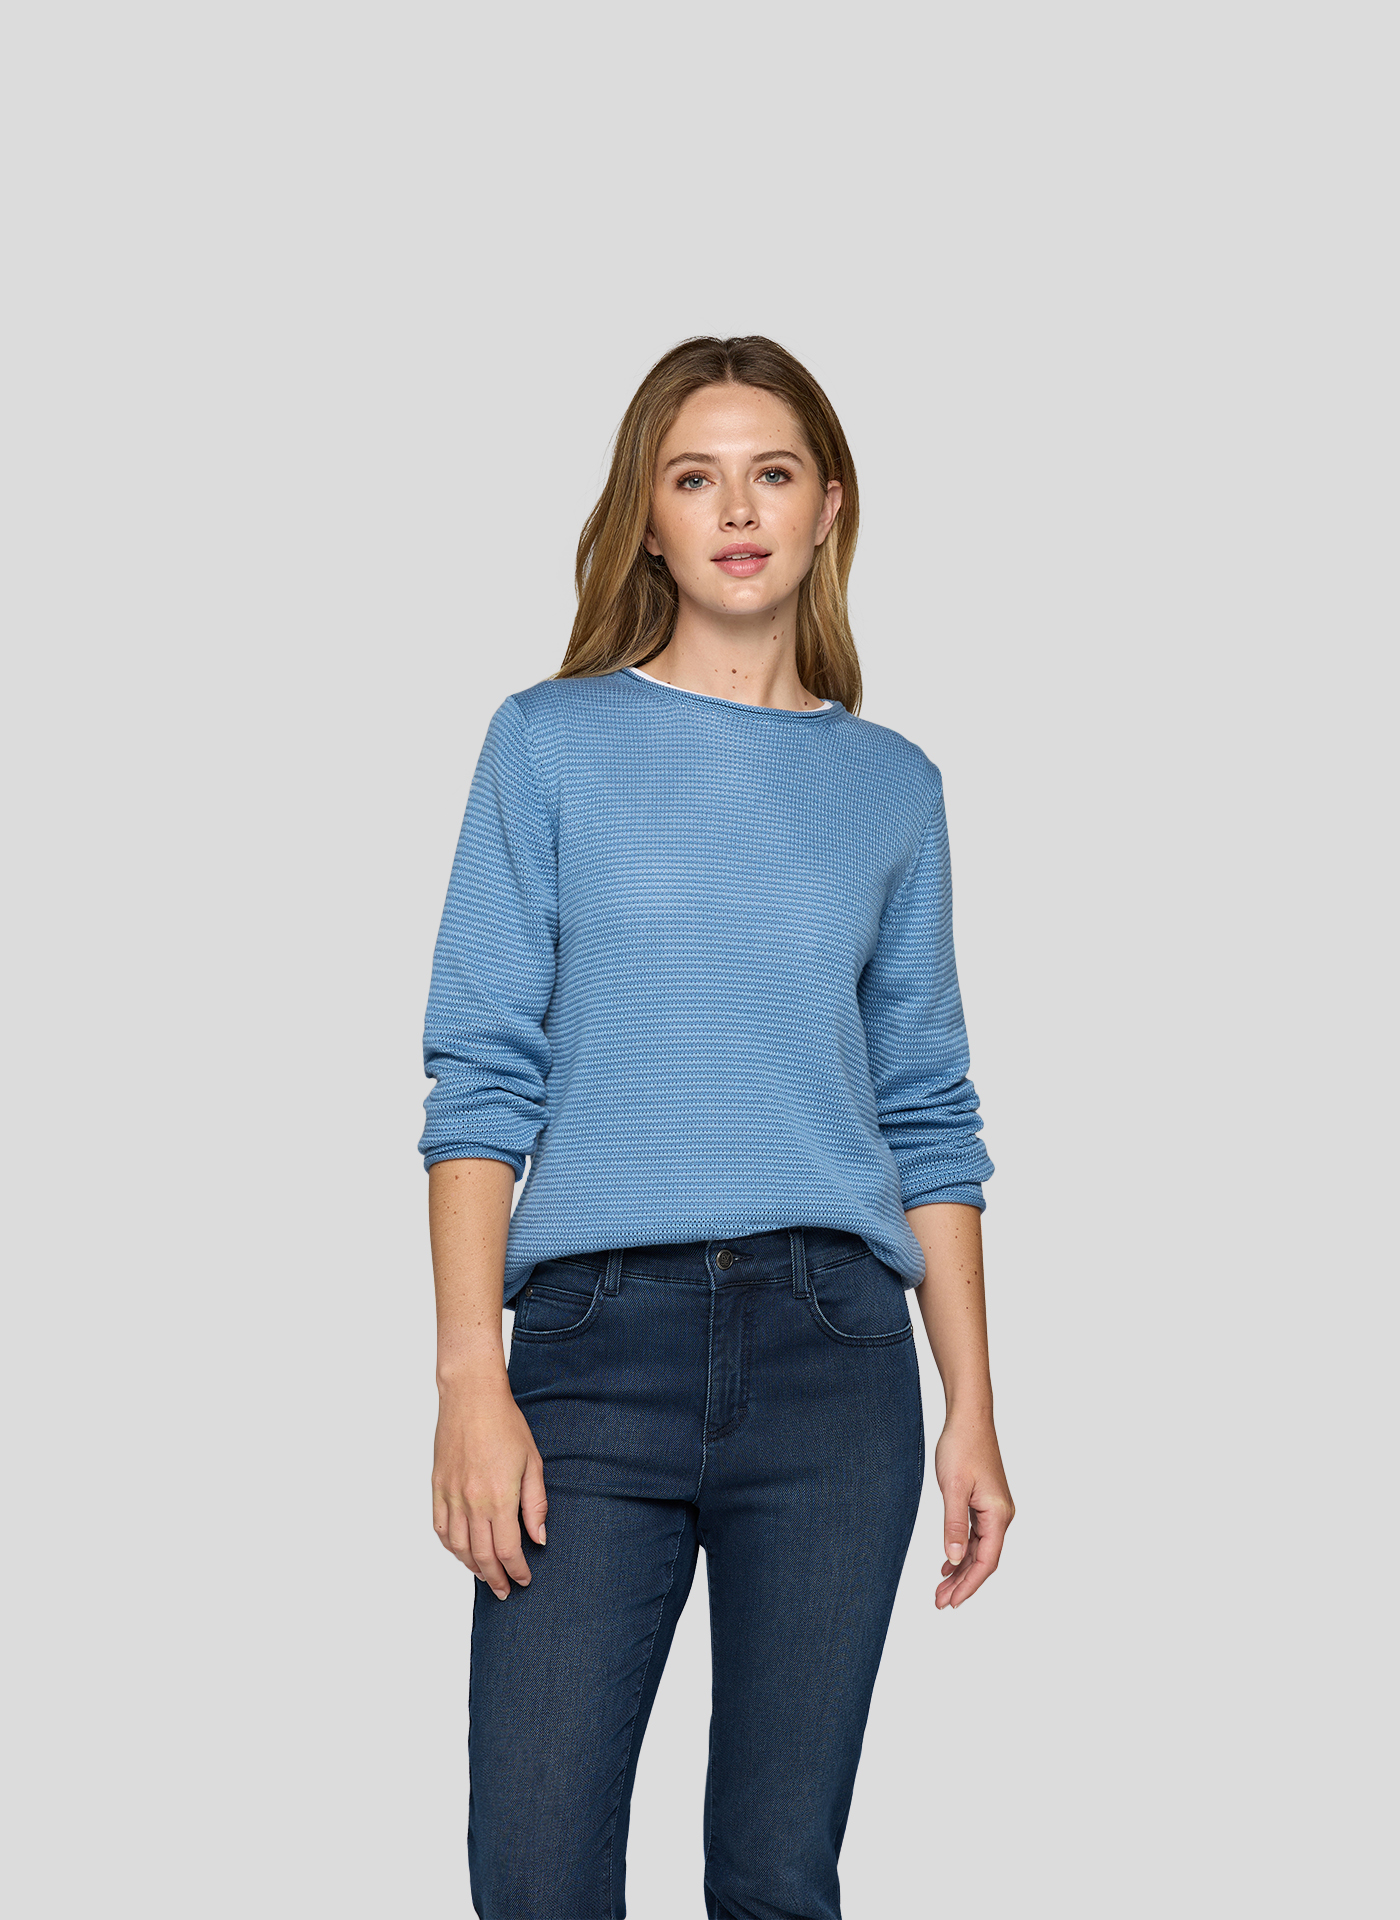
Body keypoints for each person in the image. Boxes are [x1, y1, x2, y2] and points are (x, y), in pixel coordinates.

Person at [420, 335, 1015, 1920]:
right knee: (535, 1874)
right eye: (695, 477)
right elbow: (480, 1075)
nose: (738, 509)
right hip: (589, 1351)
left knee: (774, 1880)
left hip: (834, 1359)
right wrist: (471, 1375)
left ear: (831, 506)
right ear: (649, 517)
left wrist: (971, 1405)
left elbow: (926, 1109)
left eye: (772, 473)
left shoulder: (890, 788)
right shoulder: (546, 744)